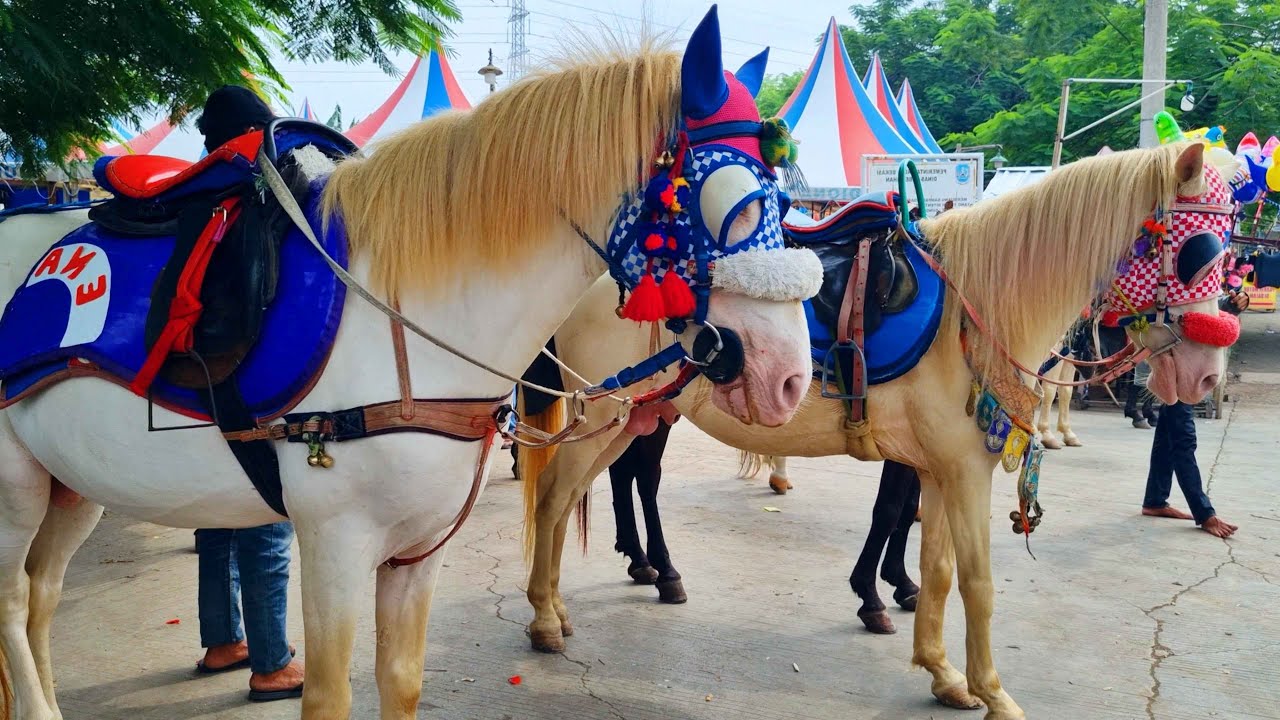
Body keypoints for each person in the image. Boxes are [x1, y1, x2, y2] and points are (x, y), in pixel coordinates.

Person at [191, 85, 303, 702]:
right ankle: (271, 661)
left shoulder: (203, 193)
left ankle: (221, 641)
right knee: (265, 520)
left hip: (191, 382)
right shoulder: (257, 197)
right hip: (243, 379)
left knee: (216, 522)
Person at [1141, 290, 1247, 538]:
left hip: (1182, 360)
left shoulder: (1194, 279)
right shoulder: (1169, 268)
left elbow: (1199, 307)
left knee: (1168, 435)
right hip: (1178, 362)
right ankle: (1204, 513)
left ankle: (1155, 500)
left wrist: (1230, 305)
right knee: (1183, 440)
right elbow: (1182, 309)